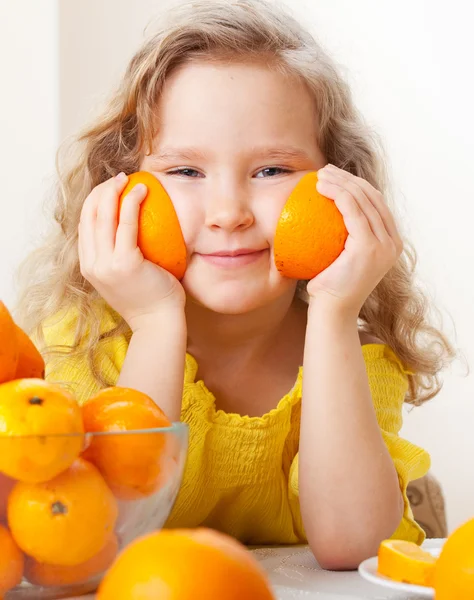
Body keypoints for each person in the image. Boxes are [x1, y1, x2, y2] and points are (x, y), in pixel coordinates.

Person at [16, 0, 455, 570]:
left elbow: (357, 547)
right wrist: (154, 323)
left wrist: (332, 311)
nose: (228, 213)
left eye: (271, 170)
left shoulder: (352, 354)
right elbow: (101, 537)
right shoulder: (84, 346)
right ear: (118, 187)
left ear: (342, 182)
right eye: (185, 171)